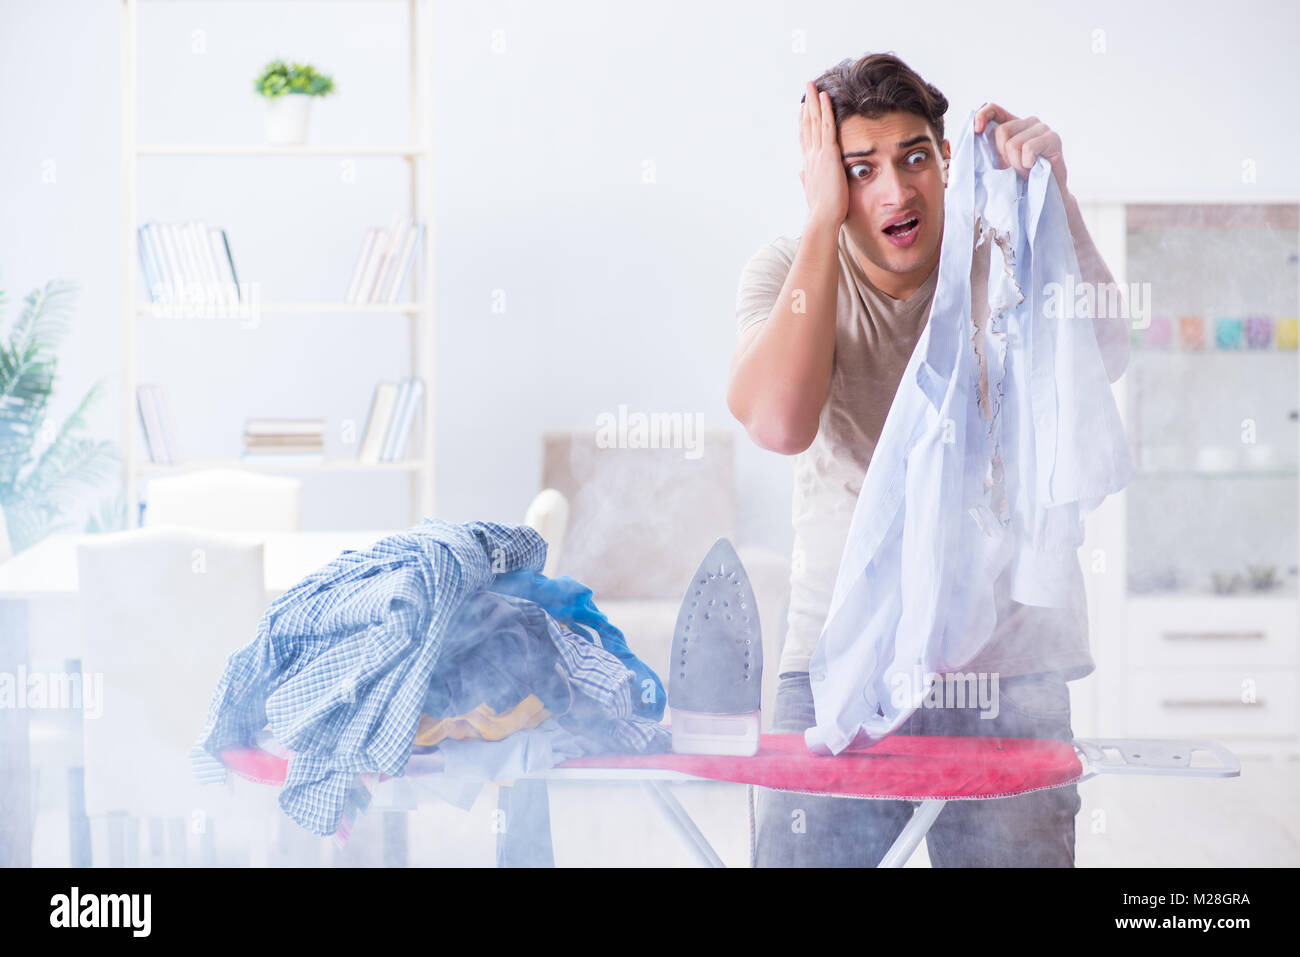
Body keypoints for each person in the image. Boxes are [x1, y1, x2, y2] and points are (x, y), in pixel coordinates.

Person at [726, 52, 1130, 867]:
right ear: (825, 179)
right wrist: (817, 223)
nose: (894, 191)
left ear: (947, 161)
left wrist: (1059, 197)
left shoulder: (1006, 250)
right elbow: (777, 422)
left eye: (913, 156)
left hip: (1006, 672)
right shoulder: (790, 270)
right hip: (839, 662)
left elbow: (1107, 352)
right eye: (859, 169)